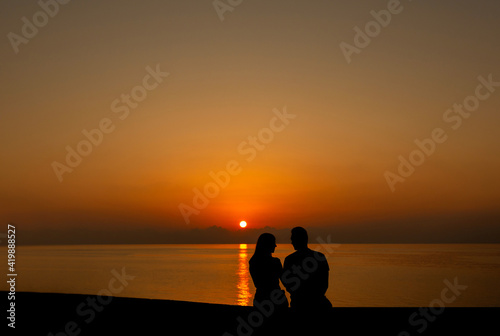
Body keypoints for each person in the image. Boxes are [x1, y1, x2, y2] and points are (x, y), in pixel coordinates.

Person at [282, 227, 332, 313]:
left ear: (300, 239)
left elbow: (288, 284)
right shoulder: (320, 257)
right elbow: (324, 283)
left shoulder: (290, 259)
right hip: (318, 303)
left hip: (299, 304)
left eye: (293, 239)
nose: (291, 242)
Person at [249, 233, 288, 315]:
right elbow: (285, 281)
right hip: (276, 300)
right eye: (273, 243)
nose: (275, 246)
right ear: (268, 244)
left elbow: (258, 283)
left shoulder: (253, 261)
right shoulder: (275, 262)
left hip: (260, 299)